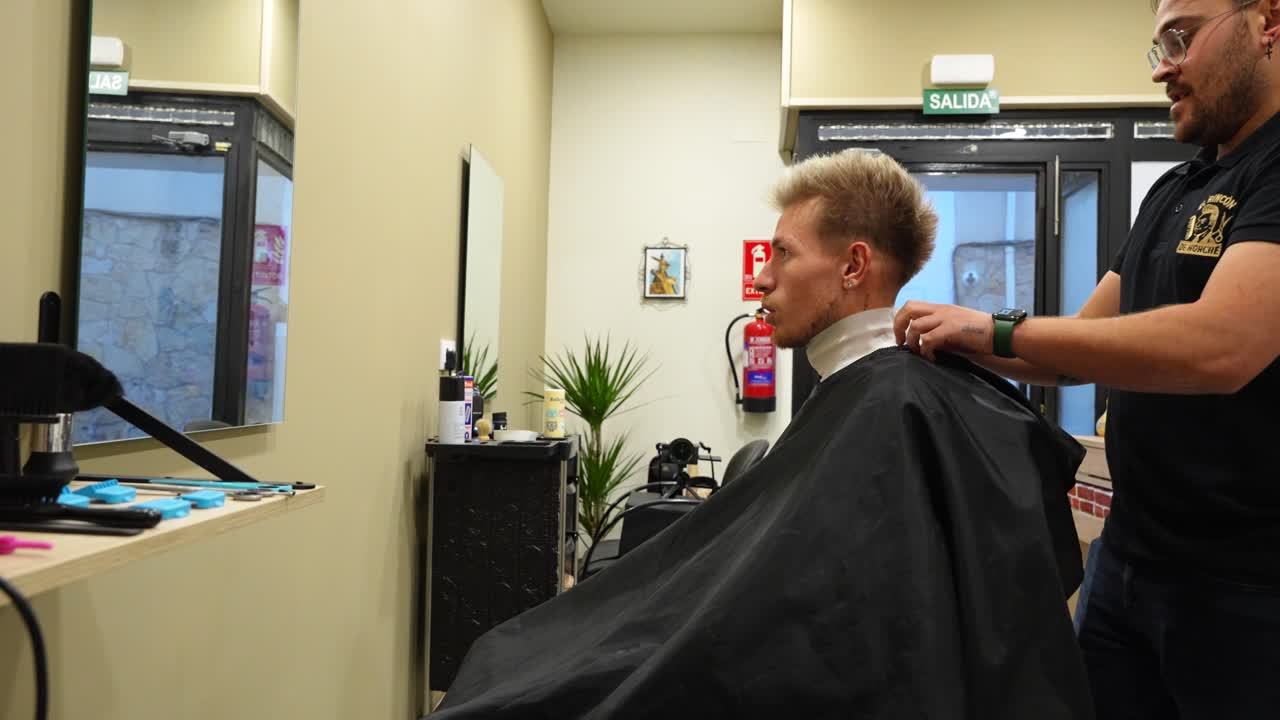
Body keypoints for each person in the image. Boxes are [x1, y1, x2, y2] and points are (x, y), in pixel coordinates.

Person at [430, 151, 1092, 719]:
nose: (762, 277)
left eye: (782, 253)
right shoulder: (870, 393)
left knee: (515, 674)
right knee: (512, 657)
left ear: (853, 266)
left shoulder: (891, 406)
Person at [892, 1, 1280, 717]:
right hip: (1129, 564)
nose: (1163, 66)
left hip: (1247, 591)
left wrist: (994, 330)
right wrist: (960, 344)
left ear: (1268, 22)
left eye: (1181, 38)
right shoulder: (1173, 191)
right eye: (1155, 47)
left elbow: (1224, 345)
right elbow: (1075, 349)